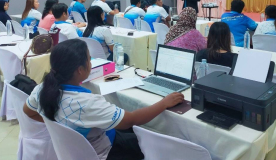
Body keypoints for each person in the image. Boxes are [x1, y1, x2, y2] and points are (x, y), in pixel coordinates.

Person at [23, 39, 184, 160]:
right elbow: (132, 119)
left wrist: (58, 125)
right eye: (89, 59)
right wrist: (164, 103)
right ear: (80, 70)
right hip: (105, 152)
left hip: (80, 148)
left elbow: (27, 111)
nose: (91, 62)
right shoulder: (86, 103)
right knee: (149, 137)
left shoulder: (42, 88)